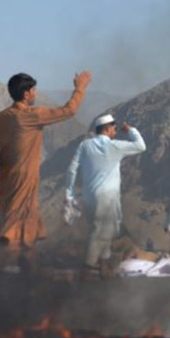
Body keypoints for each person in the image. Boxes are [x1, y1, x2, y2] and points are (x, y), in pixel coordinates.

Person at [0, 71, 91, 276]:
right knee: (17, 237)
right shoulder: (31, 115)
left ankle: (19, 278)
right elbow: (69, 110)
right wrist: (80, 87)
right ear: (26, 94)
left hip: (7, 184)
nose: (35, 93)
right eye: (33, 90)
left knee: (19, 233)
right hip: (24, 183)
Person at [66, 114, 146, 279]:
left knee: (101, 230)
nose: (116, 131)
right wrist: (130, 130)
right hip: (107, 198)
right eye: (114, 128)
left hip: (88, 197)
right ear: (107, 129)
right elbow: (141, 146)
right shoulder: (115, 146)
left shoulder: (84, 146)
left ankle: (104, 267)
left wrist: (70, 193)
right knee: (100, 232)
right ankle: (86, 269)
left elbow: (72, 169)